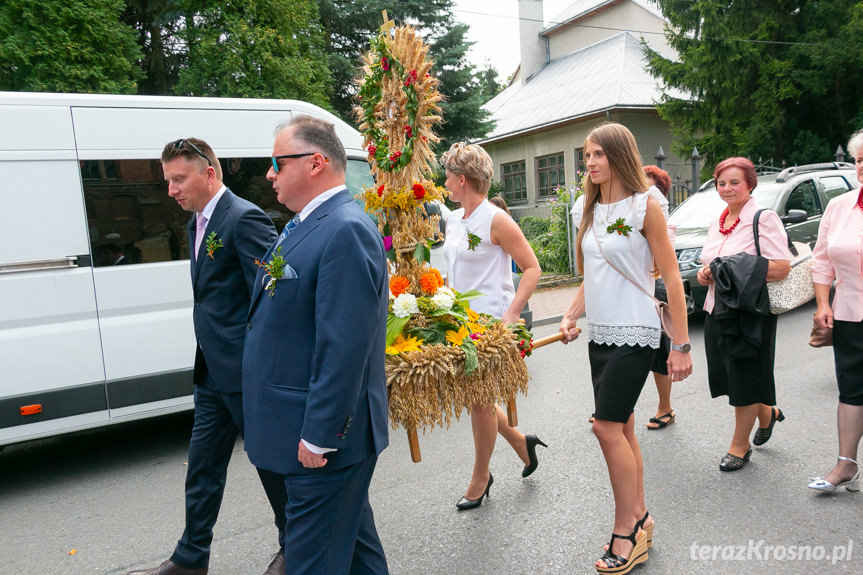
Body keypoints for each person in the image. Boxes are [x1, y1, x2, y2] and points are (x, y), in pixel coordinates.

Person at [128, 138, 287, 575]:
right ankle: (190, 558)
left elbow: (274, 296)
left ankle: (294, 548)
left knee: (270, 466)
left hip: (246, 373)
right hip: (211, 375)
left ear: (209, 173)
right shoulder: (195, 224)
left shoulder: (244, 218)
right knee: (202, 469)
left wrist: (261, 365)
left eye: (179, 179)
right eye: (168, 181)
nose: (171, 190)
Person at [242, 116, 389, 574]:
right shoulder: (305, 223)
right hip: (297, 430)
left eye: (277, 162)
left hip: (324, 443)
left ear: (316, 162)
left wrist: (321, 434)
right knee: (359, 557)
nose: (269, 174)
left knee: (311, 563)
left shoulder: (344, 228)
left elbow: (343, 345)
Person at [559, 123, 692, 574]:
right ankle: (641, 514)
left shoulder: (645, 205)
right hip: (601, 333)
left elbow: (670, 277)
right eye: (587, 155)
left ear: (619, 154)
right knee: (626, 426)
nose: (590, 162)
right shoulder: (587, 208)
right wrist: (571, 313)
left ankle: (625, 532)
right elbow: (593, 275)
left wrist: (681, 343)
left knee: (605, 428)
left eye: (598, 153)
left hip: (636, 330)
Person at [440, 143, 545, 511]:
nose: (446, 182)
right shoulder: (453, 219)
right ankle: (520, 442)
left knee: (479, 402)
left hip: (490, 326)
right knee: (476, 399)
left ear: (463, 179)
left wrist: (513, 314)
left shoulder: (496, 220)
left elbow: (532, 268)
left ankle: (481, 476)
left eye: (449, 176)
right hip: (459, 323)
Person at [696, 157, 790, 473]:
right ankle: (767, 412)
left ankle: (740, 445)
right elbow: (711, 262)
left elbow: (780, 267)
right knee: (731, 377)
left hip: (749, 314)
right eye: (722, 183)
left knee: (745, 378)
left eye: (734, 182)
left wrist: (728, 269)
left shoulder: (763, 219)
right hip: (716, 311)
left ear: (750, 184)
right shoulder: (717, 221)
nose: (727, 188)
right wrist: (705, 274)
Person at [808, 128, 863, 493]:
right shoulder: (839, 206)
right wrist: (824, 304)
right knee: (852, 389)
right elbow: (821, 260)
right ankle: (846, 464)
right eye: (860, 160)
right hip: (850, 314)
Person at [642, 165, 676, 430]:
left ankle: (666, 407)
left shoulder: (662, 218)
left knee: (659, 350)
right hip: (632, 287)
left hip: (657, 286)